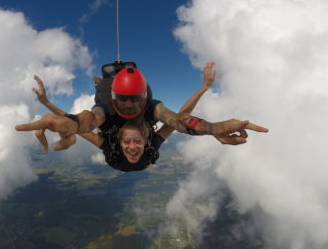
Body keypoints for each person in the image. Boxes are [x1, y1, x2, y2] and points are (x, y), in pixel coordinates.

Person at [16, 63, 268, 157]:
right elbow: (87, 120)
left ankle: (102, 82)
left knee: (103, 101)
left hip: (111, 108)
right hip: (108, 99)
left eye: (134, 100)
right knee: (102, 98)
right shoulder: (109, 112)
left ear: (143, 97)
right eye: (123, 100)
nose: (128, 106)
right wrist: (214, 127)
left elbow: (178, 121)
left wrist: (59, 114)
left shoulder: (146, 111)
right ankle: (102, 83)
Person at [28, 63, 216, 171]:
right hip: (119, 110)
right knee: (112, 108)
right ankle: (108, 84)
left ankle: (102, 84)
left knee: (104, 103)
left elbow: (75, 126)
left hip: (110, 114)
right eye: (133, 142)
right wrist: (204, 88)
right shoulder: (151, 147)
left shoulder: (111, 147)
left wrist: (48, 104)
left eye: (129, 143)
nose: (132, 147)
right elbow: (180, 119)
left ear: (120, 142)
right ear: (146, 141)